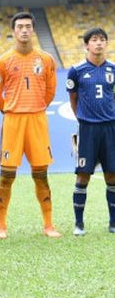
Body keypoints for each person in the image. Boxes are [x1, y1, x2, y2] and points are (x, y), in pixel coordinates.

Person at [0, 12, 60, 239]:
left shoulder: (46, 59)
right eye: (20, 26)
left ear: (33, 30)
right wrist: (10, 108)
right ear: (13, 31)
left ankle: (48, 225)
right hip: (13, 121)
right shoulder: (2, 61)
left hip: (37, 120)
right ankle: (1, 225)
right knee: (6, 175)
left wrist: (37, 106)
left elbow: (50, 90)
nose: (24, 30)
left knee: (41, 174)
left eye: (28, 26)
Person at [66, 27, 115, 236]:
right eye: (94, 40)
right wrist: (83, 120)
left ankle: (113, 223)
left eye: (102, 40)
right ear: (86, 45)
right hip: (87, 128)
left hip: (110, 128)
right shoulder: (76, 70)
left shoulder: (113, 69)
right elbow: (73, 99)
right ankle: (79, 224)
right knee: (83, 175)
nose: (98, 43)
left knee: (112, 175)